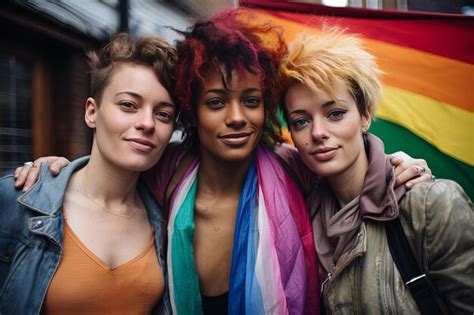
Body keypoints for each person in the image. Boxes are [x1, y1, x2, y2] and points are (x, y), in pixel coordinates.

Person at [12, 9, 432, 315]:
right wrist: (58, 171)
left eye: (251, 101)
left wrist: (394, 162)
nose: (236, 117)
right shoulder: (164, 172)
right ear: (192, 112)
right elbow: (111, 164)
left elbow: (349, 160)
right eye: (216, 102)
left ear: (266, 107)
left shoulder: (295, 167)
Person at [278, 28, 474, 314]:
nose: (318, 132)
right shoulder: (300, 213)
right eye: (300, 121)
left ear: (365, 115)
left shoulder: (431, 205)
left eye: (335, 113)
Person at [0, 33, 178, 314]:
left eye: (164, 114)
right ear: (92, 112)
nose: (147, 123)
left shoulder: (169, 219)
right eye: (128, 105)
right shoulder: (18, 200)